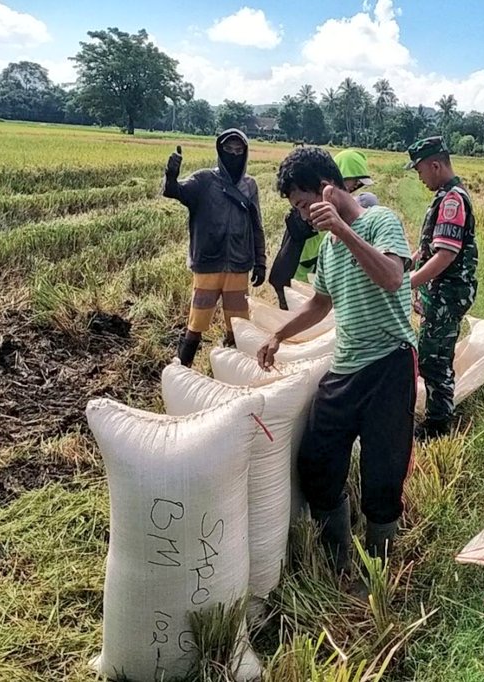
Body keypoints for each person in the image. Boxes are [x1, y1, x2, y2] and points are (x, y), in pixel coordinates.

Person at [257, 146, 415, 574]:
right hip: (345, 368)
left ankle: (377, 571)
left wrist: (344, 231)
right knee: (317, 463)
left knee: (383, 474)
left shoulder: (380, 221)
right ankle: (338, 559)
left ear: (327, 188)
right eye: (297, 208)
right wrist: (278, 335)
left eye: (304, 204)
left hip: (389, 364)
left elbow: (392, 278)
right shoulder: (327, 246)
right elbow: (320, 303)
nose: (303, 215)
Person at [162, 129, 266, 365]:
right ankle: (182, 369)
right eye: (228, 149)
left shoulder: (249, 186)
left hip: (238, 264)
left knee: (237, 326)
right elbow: (174, 191)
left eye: (238, 151)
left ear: (245, 154)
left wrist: (260, 261)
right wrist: (171, 175)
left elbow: (256, 225)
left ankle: (232, 368)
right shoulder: (204, 180)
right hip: (208, 263)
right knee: (196, 323)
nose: (233, 154)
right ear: (220, 151)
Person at [406, 136, 478, 440]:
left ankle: (437, 425)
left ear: (435, 165)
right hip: (441, 293)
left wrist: (407, 282)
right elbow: (429, 248)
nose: (420, 177)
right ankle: (437, 415)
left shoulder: (452, 200)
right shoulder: (446, 196)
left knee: (434, 359)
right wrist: (406, 264)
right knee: (432, 352)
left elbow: (445, 255)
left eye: (420, 170)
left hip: (447, 294)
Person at [268, 149, 378, 309]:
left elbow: (391, 278)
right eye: (353, 182)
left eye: (358, 185)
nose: (354, 188)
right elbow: (280, 276)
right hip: (300, 288)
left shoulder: (375, 220)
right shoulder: (306, 217)